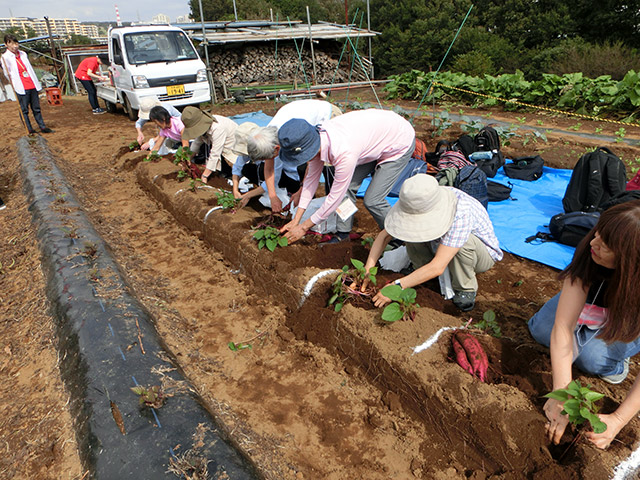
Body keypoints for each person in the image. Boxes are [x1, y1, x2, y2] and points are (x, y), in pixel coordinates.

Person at [528, 200, 640, 450]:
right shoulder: (592, 249)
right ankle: (587, 329)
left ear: (630, 260)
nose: (592, 243)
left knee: (593, 360)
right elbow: (562, 327)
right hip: (591, 305)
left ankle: (617, 361)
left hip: (626, 319)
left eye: (605, 245)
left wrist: (618, 420)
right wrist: (562, 395)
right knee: (542, 331)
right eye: (597, 233)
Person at [361, 174, 502, 312]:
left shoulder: (461, 211)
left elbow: (438, 267)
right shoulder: (417, 200)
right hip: (439, 245)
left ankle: (465, 288)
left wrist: (397, 286)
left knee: (464, 244)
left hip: (480, 255)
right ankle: (420, 270)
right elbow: (384, 236)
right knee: (409, 229)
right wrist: (368, 269)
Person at [278, 109, 415, 244]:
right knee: (347, 188)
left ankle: (398, 238)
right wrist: (296, 220)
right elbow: (310, 182)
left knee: (373, 200)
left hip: (398, 141)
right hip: (371, 140)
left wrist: (303, 227)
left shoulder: (344, 153)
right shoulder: (316, 140)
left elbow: (334, 198)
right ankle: (343, 233)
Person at [247, 99, 342, 212]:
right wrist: (273, 197)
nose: (269, 160)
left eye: (269, 157)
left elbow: (310, 162)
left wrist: (301, 190)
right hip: (301, 114)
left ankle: (335, 207)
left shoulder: (293, 137)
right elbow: (269, 169)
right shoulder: (268, 137)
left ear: (276, 148)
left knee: (329, 167)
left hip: (327, 115)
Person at [1, 34, 53, 134]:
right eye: (11, 43)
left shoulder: (23, 54)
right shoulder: (5, 57)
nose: (14, 46)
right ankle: (29, 128)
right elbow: (7, 74)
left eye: (16, 43)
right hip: (20, 86)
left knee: (36, 108)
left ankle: (42, 126)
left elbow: (28, 68)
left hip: (31, 84)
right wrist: (14, 84)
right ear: (6, 44)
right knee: (24, 109)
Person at [181, 106, 240, 184]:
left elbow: (215, 154)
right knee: (202, 148)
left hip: (233, 147)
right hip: (218, 146)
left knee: (230, 166)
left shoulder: (218, 128)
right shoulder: (204, 128)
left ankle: (228, 174)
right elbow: (196, 143)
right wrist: (188, 158)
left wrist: (204, 176)